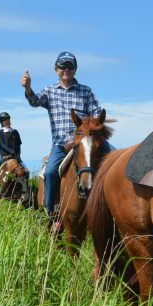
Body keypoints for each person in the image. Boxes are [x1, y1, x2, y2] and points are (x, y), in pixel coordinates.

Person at [20, 51, 104, 225]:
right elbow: (35, 101)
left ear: (75, 69)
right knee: (50, 172)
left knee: (113, 162)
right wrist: (28, 88)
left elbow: (96, 112)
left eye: (70, 66)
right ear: (56, 69)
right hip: (60, 145)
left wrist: (91, 125)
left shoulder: (85, 91)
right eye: (62, 66)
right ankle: (52, 213)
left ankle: (110, 211)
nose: (66, 69)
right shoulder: (50, 91)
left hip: (84, 143)